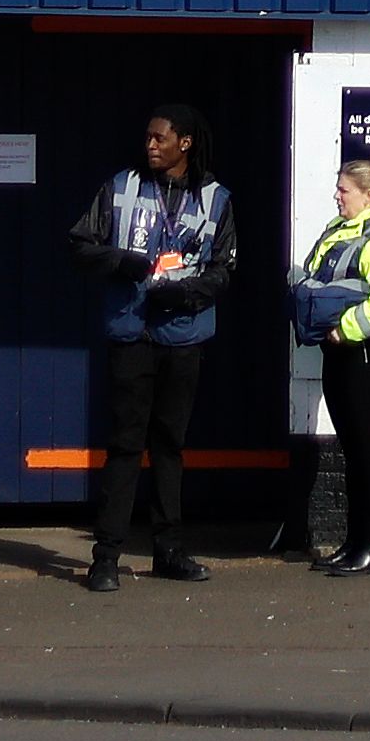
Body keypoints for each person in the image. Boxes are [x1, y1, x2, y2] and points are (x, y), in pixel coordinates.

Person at [69, 104, 235, 594]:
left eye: (159, 138)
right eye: (147, 138)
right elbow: (79, 245)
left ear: (185, 143)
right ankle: (105, 558)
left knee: (169, 448)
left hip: (183, 336)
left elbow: (224, 268)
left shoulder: (216, 198)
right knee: (124, 447)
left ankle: (169, 552)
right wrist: (120, 261)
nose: (150, 146)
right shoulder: (120, 188)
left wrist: (187, 294)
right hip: (131, 335)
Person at [288, 146, 370, 578]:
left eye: (344, 190)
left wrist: (345, 329)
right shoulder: (337, 230)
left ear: (368, 194)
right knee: (352, 453)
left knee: (369, 452)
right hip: (338, 354)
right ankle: (354, 544)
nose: (337, 196)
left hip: (365, 354)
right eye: (337, 189)